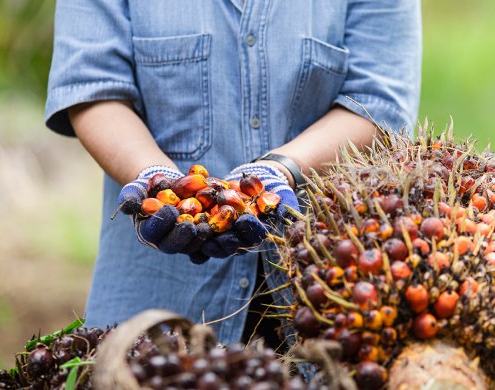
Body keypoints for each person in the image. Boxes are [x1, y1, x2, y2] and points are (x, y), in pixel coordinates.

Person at [45, 0, 422, 347]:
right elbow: (93, 87)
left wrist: (282, 170)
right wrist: (154, 178)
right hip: (157, 298)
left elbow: (378, 103)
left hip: (318, 292)